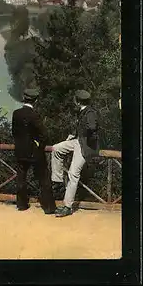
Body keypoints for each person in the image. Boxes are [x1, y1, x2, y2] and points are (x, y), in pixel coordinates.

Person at [51, 89, 99, 217]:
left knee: (73, 173)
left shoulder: (90, 113)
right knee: (56, 148)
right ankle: (57, 180)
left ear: (78, 102)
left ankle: (67, 206)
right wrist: (74, 135)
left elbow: (92, 128)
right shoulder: (82, 112)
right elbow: (82, 128)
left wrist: (88, 137)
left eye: (74, 100)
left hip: (85, 146)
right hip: (77, 141)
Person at [12, 88, 56, 214]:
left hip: (20, 150)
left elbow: (14, 132)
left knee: (21, 177)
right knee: (44, 178)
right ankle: (49, 208)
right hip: (34, 151)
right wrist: (39, 146)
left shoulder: (16, 113)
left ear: (24, 98)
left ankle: (21, 205)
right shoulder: (34, 115)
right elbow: (44, 135)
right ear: (35, 100)